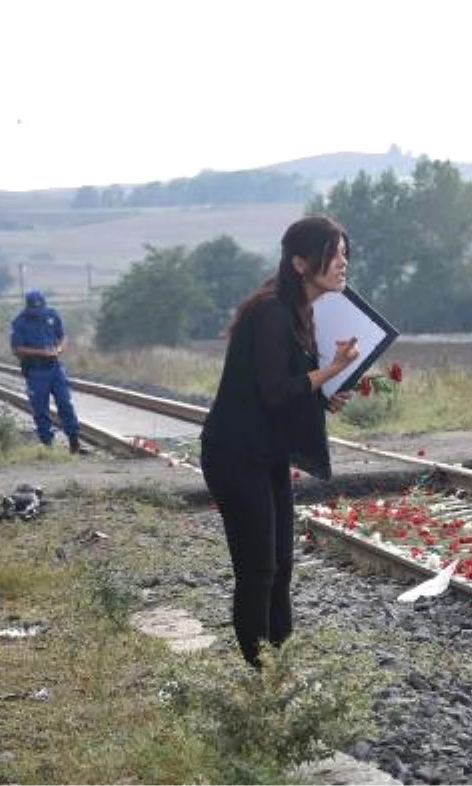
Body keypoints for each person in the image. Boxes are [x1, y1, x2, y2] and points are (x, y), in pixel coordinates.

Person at [200, 216, 360, 667]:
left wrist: (326, 394)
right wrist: (329, 371)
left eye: (346, 253)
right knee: (258, 570)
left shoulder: (300, 310)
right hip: (235, 454)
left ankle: (279, 664)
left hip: (264, 452)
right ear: (300, 262)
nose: (344, 262)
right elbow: (273, 390)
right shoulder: (271, 311)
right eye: (334, 253)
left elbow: (288, 388)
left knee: (281, 567)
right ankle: (262, 677)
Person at [10, 289, 89, 454]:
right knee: (40, 408)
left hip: (55, 368)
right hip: (35, 370)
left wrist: (59, 348)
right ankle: (48, 446)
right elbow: (17, 349)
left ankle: (74, 443)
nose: (38, 313)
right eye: (34, 310)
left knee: (65, 403)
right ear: (28, 307)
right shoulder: (20, 322)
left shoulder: (52, 315)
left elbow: (62, 336)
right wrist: (41, 352)